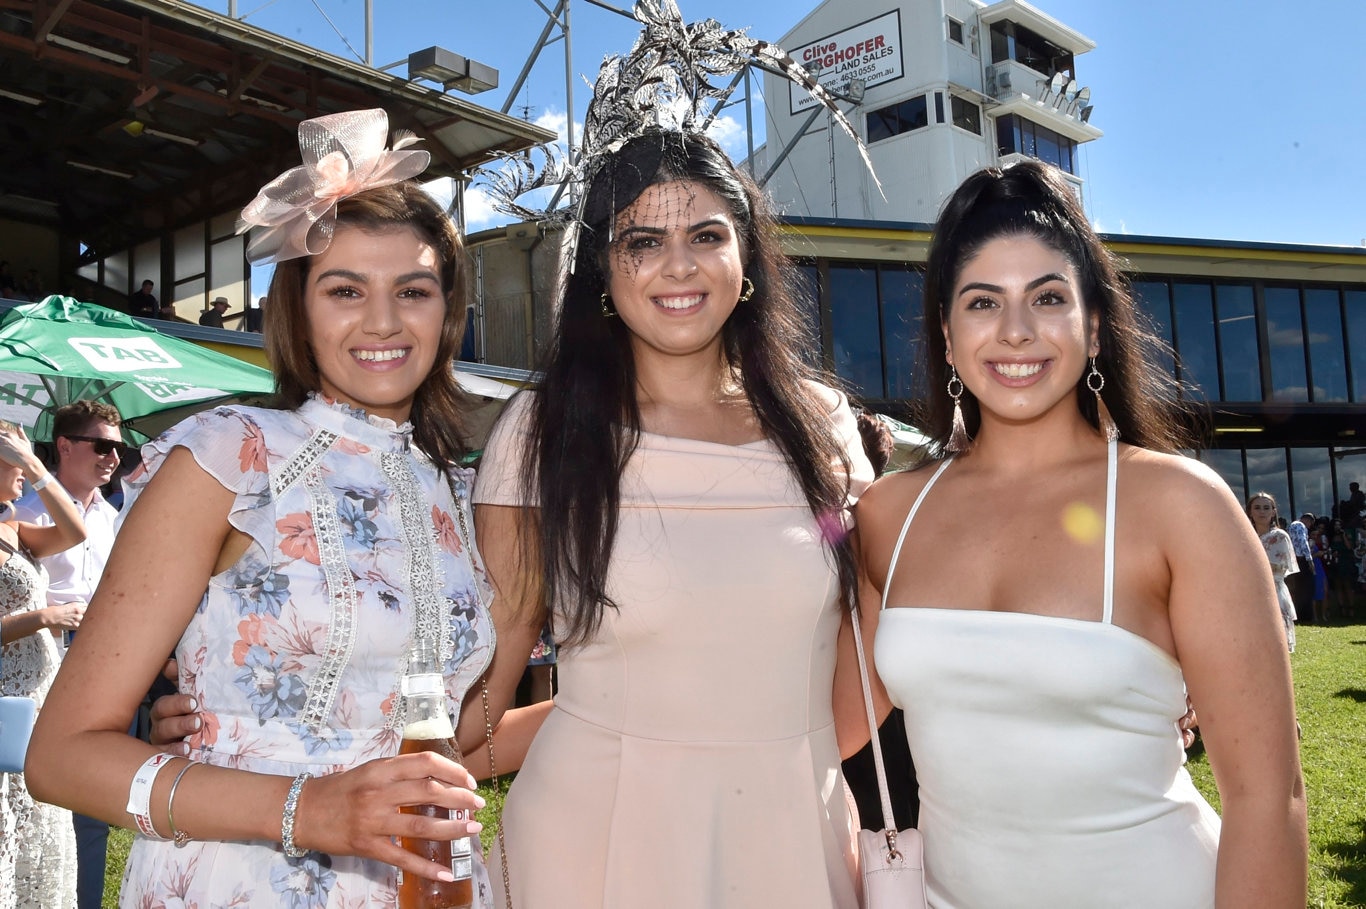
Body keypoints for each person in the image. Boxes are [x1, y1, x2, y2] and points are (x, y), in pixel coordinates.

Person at [27, 109, 499, 907]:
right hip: (246, 877)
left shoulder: (449, 486)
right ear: (298, 307)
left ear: (446, 313)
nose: (382, 321)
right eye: (344, 289)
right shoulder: (227, 453)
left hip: (422, 883)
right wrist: (306, 807)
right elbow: (61, 756)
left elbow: (440, 727)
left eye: (411, 290)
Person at [853, 160, 1307, 907]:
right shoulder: (887, 515)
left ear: (1093, 327)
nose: (1017, 330)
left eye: (1049, 297)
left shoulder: (1180, 506)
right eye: (982, 302)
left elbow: (1269, 797)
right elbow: (814, 721)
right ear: (946, 331)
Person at [472, 126, 875, 907]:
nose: (678, 265)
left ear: (747, 257)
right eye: (642, 241)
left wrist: (787, 755)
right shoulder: (543, 429)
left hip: (794, 830)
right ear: (601, 269)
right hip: (591, 840)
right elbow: (491, 654)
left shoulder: (821, 423)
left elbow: (867, 633)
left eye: (706, 235)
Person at [12, 400, 125, 909]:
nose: (113, 458)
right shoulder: (23, 510)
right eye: (102, 445)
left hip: (89, 656)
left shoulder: (108, 514)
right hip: (36, 660)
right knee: (33, 793)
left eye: (119, 448)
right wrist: (49, 617)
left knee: (90, 794)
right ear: (65, 446)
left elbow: (111, 579)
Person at [0, 420, 88, 906]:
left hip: (36, 691)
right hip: (4, 701)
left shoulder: (12, 526)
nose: (21, 470)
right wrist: (41, 617)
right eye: (13, 456)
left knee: (41, 821)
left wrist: (35, 467)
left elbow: (74, 531)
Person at [1247, 493, 1299, 651]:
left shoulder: (1279, 537)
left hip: (1272, 591)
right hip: (1248, 593)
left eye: (1266, 508)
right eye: (1257, 508)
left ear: (1273, 512)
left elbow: (1276, 567)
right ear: (1250, 512)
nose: (1262, 512)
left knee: (1274, 644)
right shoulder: (1248, 536)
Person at [1288, 511, 1315, 625]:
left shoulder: (1292, 525)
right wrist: (1309, 560)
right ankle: (1305, 615)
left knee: (1298, 588)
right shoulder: (1300, 525)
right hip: (1301, 559)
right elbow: (1303, 542)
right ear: (1308, 520)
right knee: (1306, 588)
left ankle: (1299, 614)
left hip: (1294, 558)